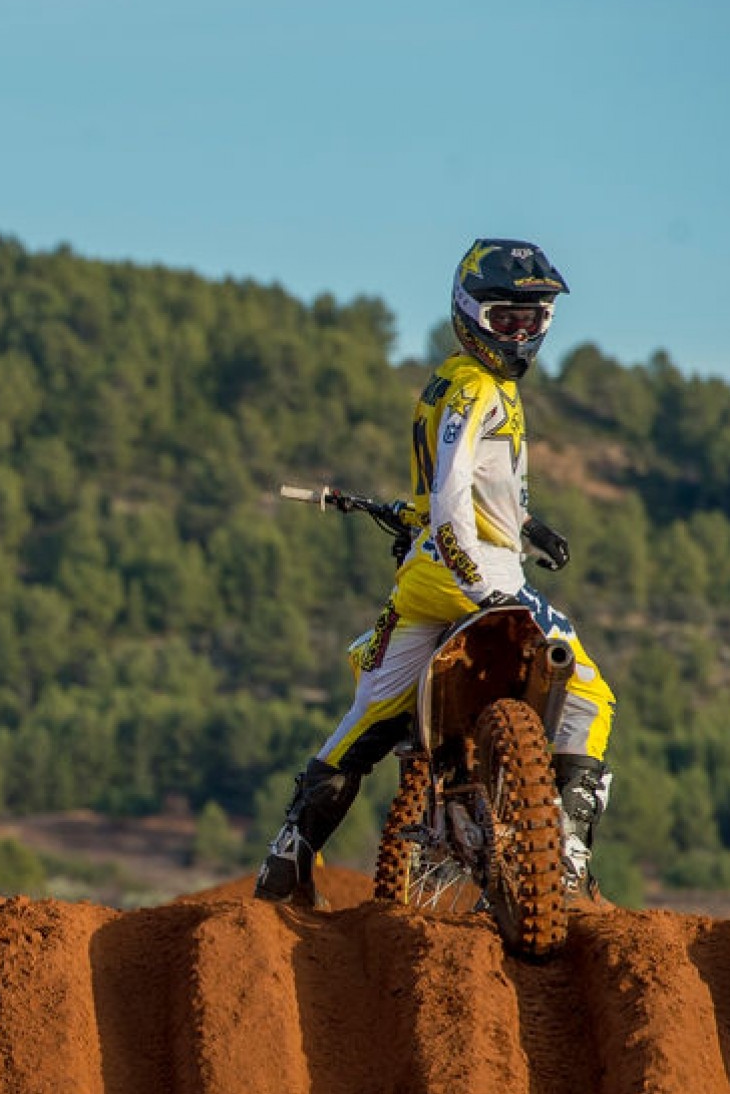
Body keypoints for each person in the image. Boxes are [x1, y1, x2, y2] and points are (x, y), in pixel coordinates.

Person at [255, 237, 617, 906]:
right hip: (473, 569)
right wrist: (481, 579)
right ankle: (564, 859)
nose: (520, 332)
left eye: (531, 320)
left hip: (426, 575)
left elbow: (466, 486)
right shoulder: (484, 389)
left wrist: (527, 527)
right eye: (505, 319)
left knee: (369, 714)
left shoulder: (448, 378)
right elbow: (453, 494)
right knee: (591, 697)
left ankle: (287, 860)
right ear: (470, 312)